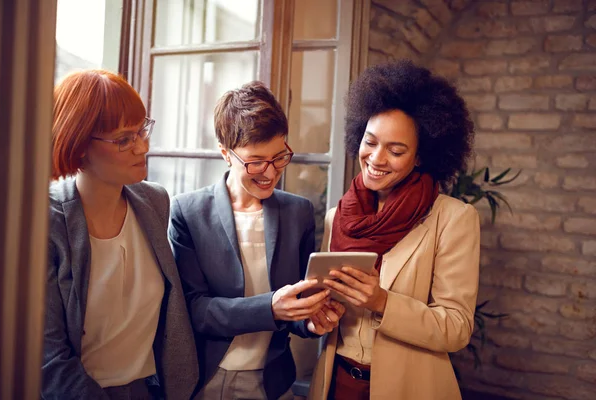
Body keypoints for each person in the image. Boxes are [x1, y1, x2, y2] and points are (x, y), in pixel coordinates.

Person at [308, 60, 480, 400]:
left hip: (409, 389)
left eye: (396, 150)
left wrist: (382, 301)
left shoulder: (453, 218)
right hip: (335, 383)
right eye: (370, 142)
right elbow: (324, 308)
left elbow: (457, 328)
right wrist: (318, 318)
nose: (376, 158)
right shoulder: (338, 216)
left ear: (420, 157)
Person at [169, 81, 345, 400]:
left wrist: (311, 321)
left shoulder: (298, 213)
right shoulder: (188, 212)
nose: (270, 172)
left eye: (279, 157)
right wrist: (271, 307)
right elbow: (194, 310)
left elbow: (296, 305)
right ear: (225, 153)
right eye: (255, 161)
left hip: (272, 382)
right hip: (204, 379)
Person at [44, 70, 199, 399]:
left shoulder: (154, 201)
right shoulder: (47, 222)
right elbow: (48, 358)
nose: (143, 146)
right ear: (79, 145)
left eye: (142, 129)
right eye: (124, 139)